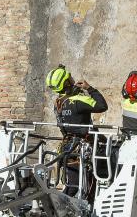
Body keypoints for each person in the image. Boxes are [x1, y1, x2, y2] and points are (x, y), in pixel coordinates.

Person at [45, 64, 108, 197]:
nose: (73, 79)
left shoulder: (58, 103)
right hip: (82, 149)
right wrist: (89, 89)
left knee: (72, 185)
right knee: (84, 187)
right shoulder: (78, 101)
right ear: (67, 82)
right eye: (70, 78)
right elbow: (102, 105)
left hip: (67, 148)